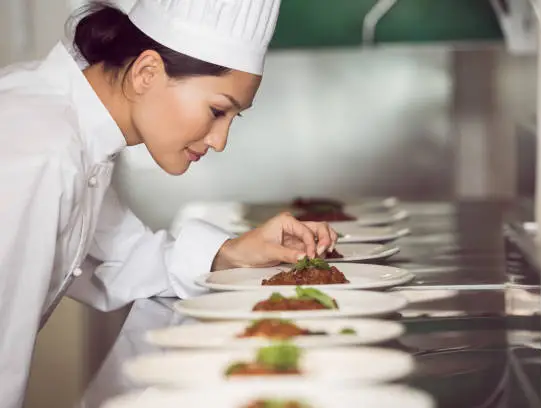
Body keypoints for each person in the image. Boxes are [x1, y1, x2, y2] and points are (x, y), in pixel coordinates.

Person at [0, 0, 337, 405]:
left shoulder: (75, 131)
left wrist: (230, 253)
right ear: (146, 72)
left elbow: (118, 258)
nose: (219, 140)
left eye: (232, 119)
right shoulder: (39, 145)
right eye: (217, 111)